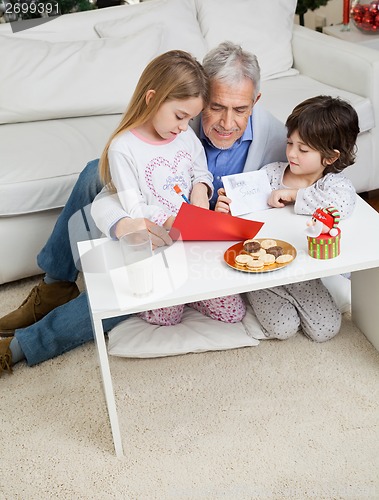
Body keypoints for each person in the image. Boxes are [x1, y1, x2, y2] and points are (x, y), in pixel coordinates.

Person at [0, 41, 287, 375]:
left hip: (204, 246)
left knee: (126, 293)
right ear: (202, 98)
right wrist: (123, 224)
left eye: (240, 110)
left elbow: (298, 191)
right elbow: (127, 192)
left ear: (256, 102)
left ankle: (25, 344)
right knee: (96, 172)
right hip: (159, 227)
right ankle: (54, 285)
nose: (226, 122)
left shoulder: (277, 140)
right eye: (216, 107)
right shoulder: (181, 123)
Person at [95, 49, 246, 326]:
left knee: (233, 313)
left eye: (190, 119)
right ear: (152, 99)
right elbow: (134, 207)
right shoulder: (124, 148)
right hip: (161, 246)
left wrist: (201, 190)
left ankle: (190, 291)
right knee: (166, 317)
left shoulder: (186, 136)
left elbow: (201, 172)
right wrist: (172, 221)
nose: (184, 127)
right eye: (179, 116)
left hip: (194, 244)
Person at [215, 95, 360, 342]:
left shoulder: (334, 186)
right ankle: (256, 289)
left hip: (303, 275)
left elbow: (343, 205)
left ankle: (294, 294)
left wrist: (294, 195)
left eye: (303, 149)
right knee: (282, 329)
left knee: (326, 330)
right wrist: (226, 206)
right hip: (264, 272)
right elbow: (243, 205)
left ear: (331, 157)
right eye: (289, 143)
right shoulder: (270, 174)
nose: (292, 153)